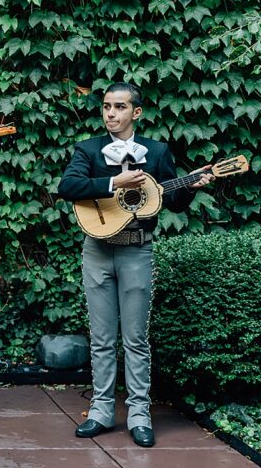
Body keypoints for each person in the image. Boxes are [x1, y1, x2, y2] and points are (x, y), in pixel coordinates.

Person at [58, 81, 214, 448]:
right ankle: (100, 410)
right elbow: (68, 187)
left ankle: (139, 413)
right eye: (107, 106)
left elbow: (171, 204)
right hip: (97, 249)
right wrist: (114, 181)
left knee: (136, 337)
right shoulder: (88, 149)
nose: (111, 113)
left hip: (137, 251)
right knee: (101, 337)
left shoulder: (157, 152)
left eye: (119, 107)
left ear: (136, 112)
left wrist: (191, 186)